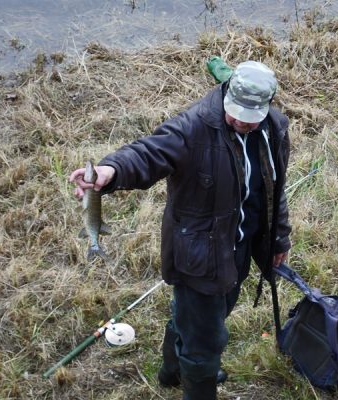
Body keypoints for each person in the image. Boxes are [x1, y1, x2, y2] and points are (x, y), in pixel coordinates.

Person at [69, 60, 292, 399]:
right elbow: (147, 153)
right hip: (199, 256)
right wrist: (110, 171)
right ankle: (196, 374)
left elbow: (275, 190)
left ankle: (173, 371)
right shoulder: (192, 128)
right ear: (226, 94)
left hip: (239, 251)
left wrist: (279, 237)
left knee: (202, 318)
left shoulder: (273, 128)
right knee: (206, 342)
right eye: (236, 114)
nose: (241, 122)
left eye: (251, 117)